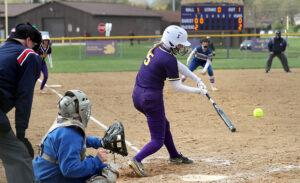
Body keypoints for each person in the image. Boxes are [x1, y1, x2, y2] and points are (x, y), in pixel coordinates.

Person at [128, 25, 208, 177]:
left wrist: (197, 80)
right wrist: (198, 92)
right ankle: (136, 159)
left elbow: (178, 65)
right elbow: (177, 87)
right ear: (171, 42)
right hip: (151, 99)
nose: (181, 47)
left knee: (165, 124)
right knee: (158, 140)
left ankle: (174, 156)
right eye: (179, 44)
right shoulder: (168, 58)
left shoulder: (158, 49)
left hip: (137, 95)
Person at [33, 90, 120, 183]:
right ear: (79, 112)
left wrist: (100, 142)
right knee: (102, 178)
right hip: (51, 178)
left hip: (43, 172)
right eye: (85, 109)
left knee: (103, 168)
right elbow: (69, 170)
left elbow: (79, 140)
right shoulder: (70, 134)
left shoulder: (63, 124)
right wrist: (96, 161)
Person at [0, 23, 42, 183]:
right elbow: (24, 95)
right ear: (28, 41)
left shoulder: (2, 49)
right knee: (20, 157)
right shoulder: (29, 55)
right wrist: (21, 133)